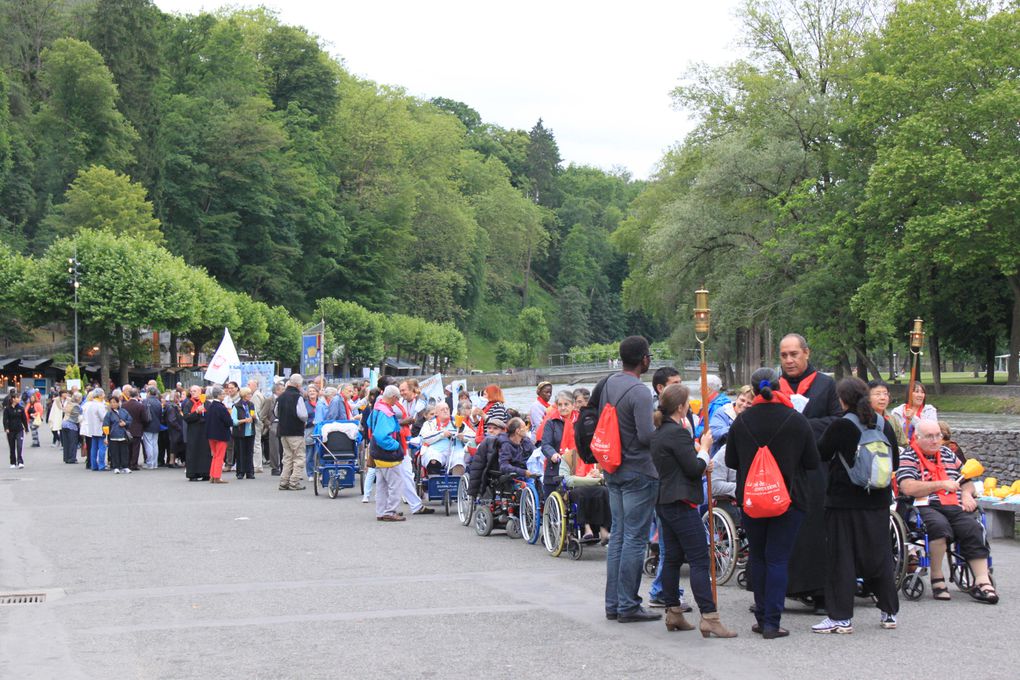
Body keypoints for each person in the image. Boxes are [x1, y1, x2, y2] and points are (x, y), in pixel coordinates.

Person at [725, 367, 819, 639]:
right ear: (780, 387)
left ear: (753, 391)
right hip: (789, 499)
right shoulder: (795, 419)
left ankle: (761, 615)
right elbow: (812, 462)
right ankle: (772, 623)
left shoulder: (741, 421)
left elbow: (731, 461)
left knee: (758, 556)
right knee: (778, 559)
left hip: (752, 499)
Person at [813, 377, 900, 634]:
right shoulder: (884, 424)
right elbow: (893, 457)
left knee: (842, 558)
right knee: (880, 555)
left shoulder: (842, 425)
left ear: (842, 400)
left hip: (844, 502)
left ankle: (841, 617)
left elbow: (821, 453)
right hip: (879, 501)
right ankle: (889, 612)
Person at [651, 383, 736, 638]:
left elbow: (685, 465)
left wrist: (702, 460)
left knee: (674, 559)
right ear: (680, 407)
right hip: (681, 502)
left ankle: (673, 612)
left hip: (665, 500)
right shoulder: (676, 433)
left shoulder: (659, 432)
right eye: (687, 403)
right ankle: (709, 616)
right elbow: (691, 468)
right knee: (700, 559)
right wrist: (705, 450)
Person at [897, 418, 997, 604]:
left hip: (954, 503)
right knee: (939, 528)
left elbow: (966, 481)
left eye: (938, 436)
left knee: (972, 527)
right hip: (923, 505)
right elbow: (908, 487)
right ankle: (937, 576)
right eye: (929, 436)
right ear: (917, 437)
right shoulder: (908, 456)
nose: (935, 440)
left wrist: (967, 495)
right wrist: (941, 484)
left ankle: (982, 581)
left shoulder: (948, 454)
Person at [776, 333, 841, 612]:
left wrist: (802, 426)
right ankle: (776, 590)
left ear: (806, 353)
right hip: (779, 470)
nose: (789, 360)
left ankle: (820, 592)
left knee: (815, 531)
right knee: (778, 530)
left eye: (794, 354)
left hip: (814, 469)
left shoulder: (826, 385)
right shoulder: (770, 386)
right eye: (784, 355)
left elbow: (838, 421)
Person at [603, 336, 660, 624]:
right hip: (638, 469)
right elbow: (646, 436)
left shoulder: (610, 383)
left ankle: (613, 603)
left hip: (612, 467)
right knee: (635, 539)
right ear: (645, 360)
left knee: (619, 536)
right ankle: (628, 604)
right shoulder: (639, 391)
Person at [369, 385, 408, 522]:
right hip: (387, 454)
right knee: (395, 483)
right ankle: (390, 511)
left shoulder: (377, 408)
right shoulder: (386, 412)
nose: (397, 402)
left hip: (377, 453)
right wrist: (396, 445)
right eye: (397, 399)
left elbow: (370, 425)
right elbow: (382, 436)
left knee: (381, 485)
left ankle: (381, 511)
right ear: (393, 397)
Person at [277, 374, 308, 491]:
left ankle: (283, 481)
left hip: (283, 431)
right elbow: (303, 415)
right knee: (299, 457)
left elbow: (275, 412)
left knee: (287, 458)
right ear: (299, 384)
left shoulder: (281, 396)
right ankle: (294, 481)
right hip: (295, 431)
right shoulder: (297, 397)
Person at [419, 402, 463, 474]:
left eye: (447, 409)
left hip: (455, 451)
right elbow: (425, 438)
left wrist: (463, 437)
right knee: (433, 459)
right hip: (436, 451)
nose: (446, 411)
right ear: (436, 413)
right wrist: (442, 434)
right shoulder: (429, 424)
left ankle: (456, 483)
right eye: (442, 409)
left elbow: (472, 436)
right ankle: (435, 483)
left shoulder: (458, 423)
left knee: (459, 461)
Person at [709, 385, 753, 450]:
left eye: (749, 403)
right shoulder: (722, 412)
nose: (744, 405)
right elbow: (715, 434)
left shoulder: (754, 417)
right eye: (742, 400)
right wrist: (738, 427)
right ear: (737, 398)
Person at [205, 385, 233, 484]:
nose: (224, 395)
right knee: (220, 456)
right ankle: (217, 476)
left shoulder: (210, 406)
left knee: (215, 455)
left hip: (211, 434)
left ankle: (212, 475)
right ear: (219, 395)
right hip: (221, 434)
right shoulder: (221, 407)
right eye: (223, 394)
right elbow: (228, 421)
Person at [183, 386, 211, 482]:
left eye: (195, 391)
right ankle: (193, 473)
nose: (193, 393)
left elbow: (211, 416)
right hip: (193, 431)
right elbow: (186, 417)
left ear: (200, 392)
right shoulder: (188, 403)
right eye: (191, 391)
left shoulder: (207, 403)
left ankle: (205, 473)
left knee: (205, 451)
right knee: (193, 451)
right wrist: (196, 412)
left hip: (204, 431)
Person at [867, 380, 907, 448]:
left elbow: (902, 444)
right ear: (867, 397)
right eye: (878, 394)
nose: (883, 398)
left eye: (885, 394)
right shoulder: (862, 419)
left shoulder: (893, 419)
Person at [232, 387, 258, 480]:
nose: (250, 396)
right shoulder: (236, 406)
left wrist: (255, 417)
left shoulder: (251, 405)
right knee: (240, 453)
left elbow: (257, 419)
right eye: (248, 394)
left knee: (249, 452)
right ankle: (240, 472)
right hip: (240, 432)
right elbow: (234, 421)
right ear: (243, 395)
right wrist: (244, 420)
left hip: (250, 432)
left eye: (250, 394)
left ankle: (250, 472)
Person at [103, 396, 133, 474]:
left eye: (114, 402)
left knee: (124, 452)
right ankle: (116, 466)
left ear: (118, 402)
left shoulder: (124, 411)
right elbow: (105, 425)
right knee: (114, 452)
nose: (113, 404)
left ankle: (125, 466)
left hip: (123, 435)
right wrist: (105, 437)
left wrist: (125, 423)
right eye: (111, 402)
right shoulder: (109, 414)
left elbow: (130, 420)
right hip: (113, 435)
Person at [80, 389, 107, 470]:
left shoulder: (90, 404)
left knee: (93, 448)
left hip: (92, 429)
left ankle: (93, 465)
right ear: (99, 395)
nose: (104, 396)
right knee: (102, 448)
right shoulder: (100, 405)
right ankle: (101, 465)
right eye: (103, 394)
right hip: (100, 428)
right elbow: (103, 417)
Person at [260, 382, 281, 475]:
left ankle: (281, 466)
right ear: (277, 390)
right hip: (273, 426)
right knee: (274, 448)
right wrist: (269, 424)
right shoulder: (269, 400)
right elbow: (262, 415)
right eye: (282, 389)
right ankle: (275, 467)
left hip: (282, 425)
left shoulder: (282, 399)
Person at [123, 388, 146, 471]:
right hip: (137, 428)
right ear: (137, 395)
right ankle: (134, 464)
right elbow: (144, 418)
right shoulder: (140, 405)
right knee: (136, 447)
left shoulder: (124, 405)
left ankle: (128, 462)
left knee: (128, 447)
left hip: (127, 428)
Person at [3, 392, 28, 468]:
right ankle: (13, 462)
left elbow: (24, 419)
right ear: (13, 399)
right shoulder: (7, 409)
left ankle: (20, 461)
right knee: (12, 447)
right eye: (18, 398)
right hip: (10, 430)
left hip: (19, 430)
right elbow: (5, 419)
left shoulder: (21, 408)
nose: (19, 399)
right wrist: (6, 428)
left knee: (19, 446)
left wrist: (26, 428)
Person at [247, 379, 266, 473]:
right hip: (259, 422)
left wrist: (254, 418)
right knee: (257, 443)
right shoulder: (257, 394)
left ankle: (257, 465)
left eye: (249, 384)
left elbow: (256, 410)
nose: (248, 386)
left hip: (257, 422)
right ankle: (257, 465)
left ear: (255, 385)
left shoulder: (256, 396)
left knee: (256, 443)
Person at [141, 386, 162, 469]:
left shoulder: (145, 401)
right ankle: (155, 463)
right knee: (155, 444)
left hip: (148, 425)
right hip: (156, 425)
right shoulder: (158, 402)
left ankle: (150, 463)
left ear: (148, 393)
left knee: (148, 444)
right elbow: (160, 414)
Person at [60, 393, 83, 464]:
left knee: (66, 442)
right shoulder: (76, 406)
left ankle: (66, 458)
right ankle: (72, 458)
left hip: (64, 424)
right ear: (78, 399)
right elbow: (76, 418)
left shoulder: (69, 403)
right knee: (73, 442)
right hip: (71, 425)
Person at [164, 391, 185, 468]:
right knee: (173, 445)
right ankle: (171, 462)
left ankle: (172, 461)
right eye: (178, 397)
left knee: (174, 445)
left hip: (174, 429)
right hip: (174, 430)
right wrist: (179, 428)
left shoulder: (172, 406)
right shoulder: (172, 407)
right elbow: (172, 420)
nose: (179, 399)